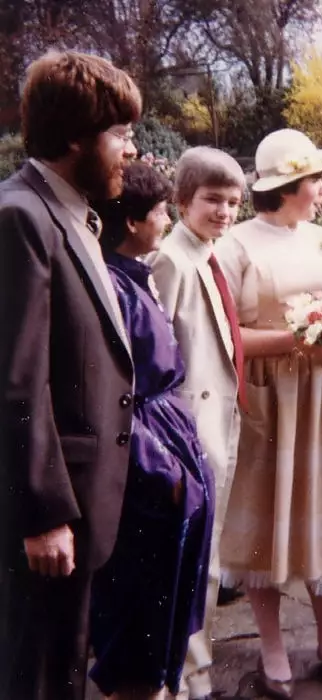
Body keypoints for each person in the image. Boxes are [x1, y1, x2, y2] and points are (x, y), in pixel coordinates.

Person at [0, 51, 140, 700]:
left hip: (83, 508)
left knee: (64, 675)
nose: (131, 151)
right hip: (52, 517)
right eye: (121, 134)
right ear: (77, 136)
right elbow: (16, 383)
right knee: (33, 679)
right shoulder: (20, 217)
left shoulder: (75, 212)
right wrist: (42, 514)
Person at [216, 128, 322, 700]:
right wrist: (294, 342)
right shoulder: (236, 246)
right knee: (269, 519)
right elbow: (224, 335)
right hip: (270, 403)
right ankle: (273, 648)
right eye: (315, 181)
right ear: (287, 186)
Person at [87, 162, 215, 700]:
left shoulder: (136, 275)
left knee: (163, 609)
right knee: (139, 610)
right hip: (147, 458)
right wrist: (168, 472)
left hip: (167, 436)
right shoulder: (114, 286)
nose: (167, 220)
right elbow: (118, 392)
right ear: (136, 222)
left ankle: (161, 682)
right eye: (162, 211)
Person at [149, 147, 246, 700]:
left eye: (233, 202)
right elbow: (166, 355)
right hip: (191, 430)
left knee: (208, 562)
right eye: (212, 200)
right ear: (182, 200)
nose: (225, 211)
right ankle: (182, 674)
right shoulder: (172, 260)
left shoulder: (209, 254)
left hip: (220, 421)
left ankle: (197, 668)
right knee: (191, 563)